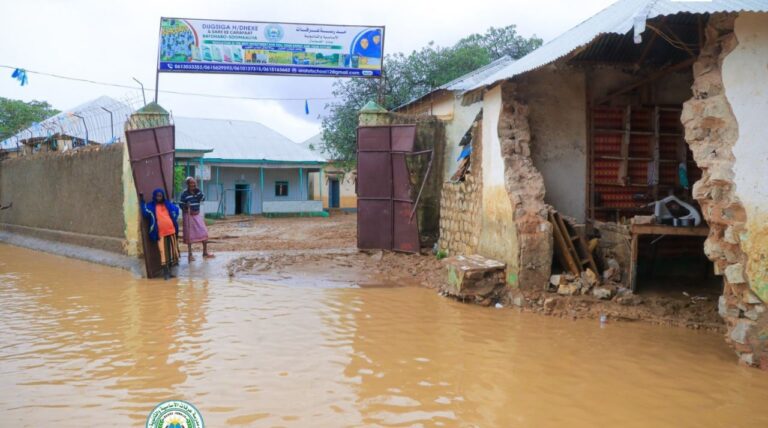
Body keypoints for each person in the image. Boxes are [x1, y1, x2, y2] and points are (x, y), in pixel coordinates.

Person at [140, 188, 180, 280]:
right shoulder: (151, 206)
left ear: (163, 196)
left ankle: (170, 272)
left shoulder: (167, 204)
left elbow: (176, 210)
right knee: (163, 252)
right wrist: (142, 200)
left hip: (171, 231)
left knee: (172, 252)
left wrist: (174, 216)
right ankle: (166, 274)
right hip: (161, 233)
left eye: (160, 196)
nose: (159, 197)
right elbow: (145, 212)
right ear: (154, 196)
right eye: (157, 196)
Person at [178, 177, 214, 261]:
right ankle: (190, 255)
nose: (193, 184)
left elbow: (203, 199)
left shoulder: (197, 191)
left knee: (204, 232)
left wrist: (198, 192)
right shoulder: (184, 193)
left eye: (194, 183)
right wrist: (186, 207)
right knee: (189, 235)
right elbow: (181, 204)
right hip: (188, 215)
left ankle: (205, 252)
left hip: (197, 215)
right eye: (191, 183)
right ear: (187, 184)